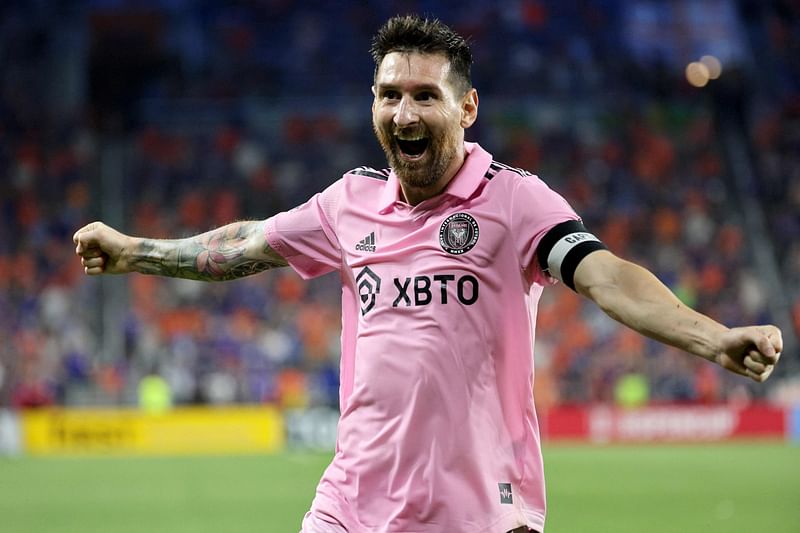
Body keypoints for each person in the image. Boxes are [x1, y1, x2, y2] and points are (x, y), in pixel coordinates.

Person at [73, 15, 783, 533]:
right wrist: (133, 250)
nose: (403, 111)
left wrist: (712, 338)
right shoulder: (347, 202)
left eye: (423, 95)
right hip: (350, 507)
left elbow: (608, 277)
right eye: (388, 94)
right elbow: (243, 245)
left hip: (478, 513)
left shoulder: (514, 200)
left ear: (467, 109)